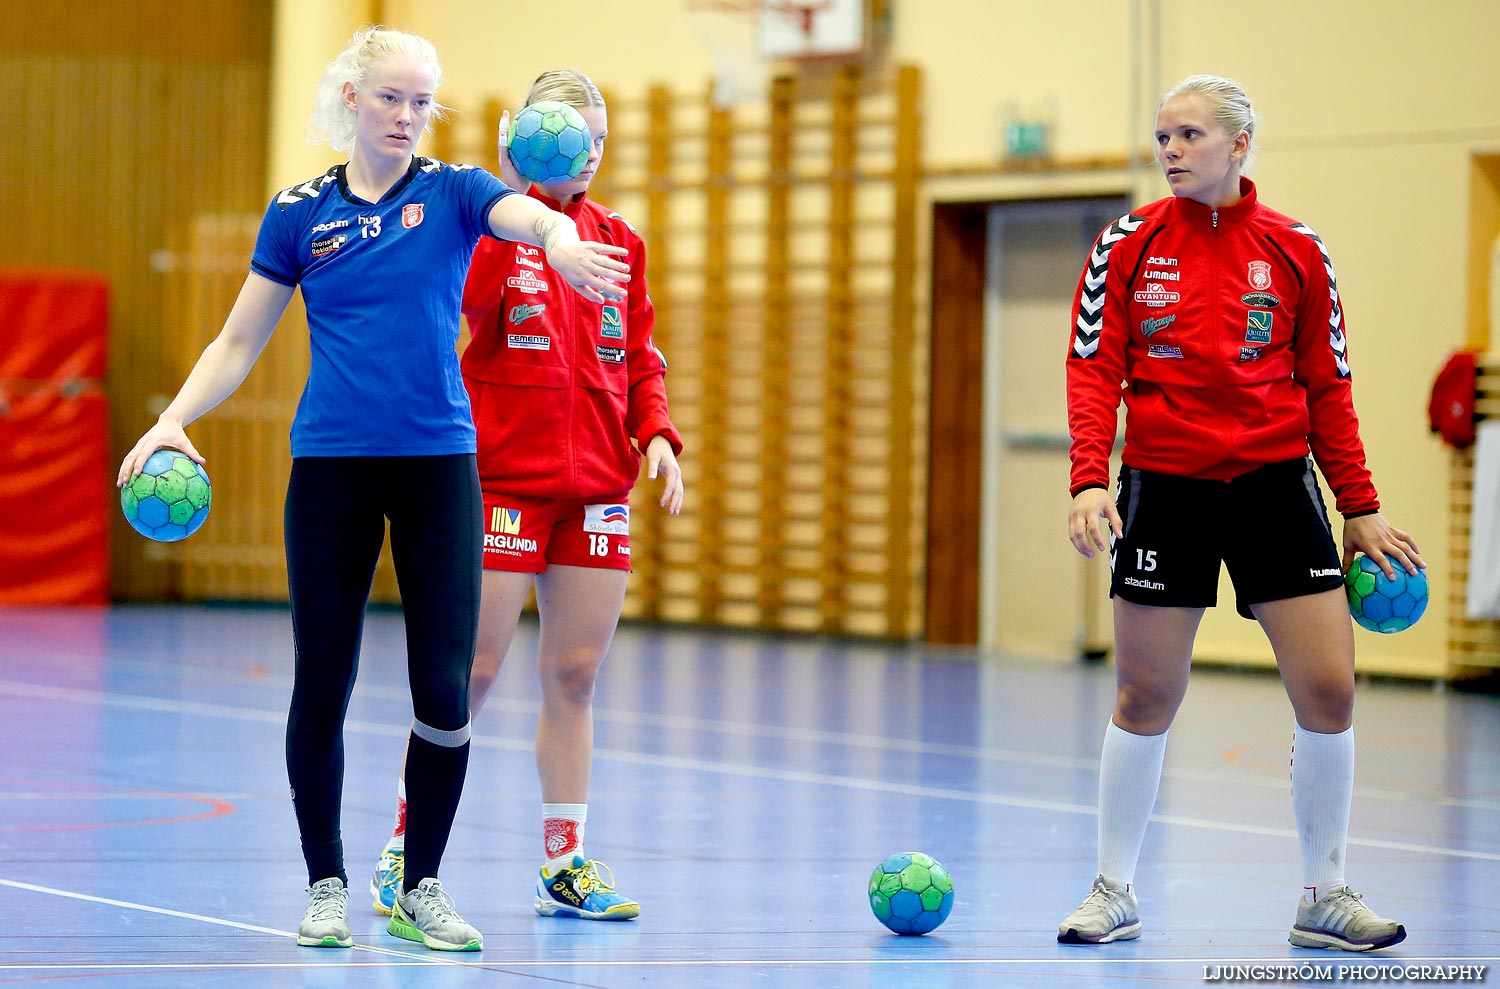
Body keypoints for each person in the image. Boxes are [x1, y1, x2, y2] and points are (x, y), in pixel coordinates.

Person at [117, 28, 632, 952]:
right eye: (392, 98)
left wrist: (558, 237)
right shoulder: (299, 211)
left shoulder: (459, 192)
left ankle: (422, 884)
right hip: (331, 468)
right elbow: (239, 341)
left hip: (440, 467)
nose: (407, 117)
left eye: (422, 101)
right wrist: (171, 420)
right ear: (352, 98)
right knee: (325, 678)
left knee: (444, 688)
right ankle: (324, 882)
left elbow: (531, 216)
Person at [1059, 74, 1422, 952]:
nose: (1171, 151)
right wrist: (1087, 478)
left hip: (1272, 484)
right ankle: (1113, 888)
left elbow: (1329, 385)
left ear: (1238, 143)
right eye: (1163, 138)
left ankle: (1325, 894)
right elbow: (1093, 368)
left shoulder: (1297, 249)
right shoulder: (1126, 242)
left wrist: (1359, 506)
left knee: (1329, 688)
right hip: (1164, 483)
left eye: (1189, 135)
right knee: (1146, 693)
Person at [369, 69, 683, 923]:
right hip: (502, 485)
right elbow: (447, 315)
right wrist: (508, 206)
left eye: (598, 140)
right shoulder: (494, 237)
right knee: (465, 675)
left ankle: (564, 861)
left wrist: (655, 432)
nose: (586, 155)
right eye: (570, 137)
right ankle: (408, 850)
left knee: (576, 676)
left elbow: (640, 352)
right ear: (535, 141)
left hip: (596, 491)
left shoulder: (621, 238)